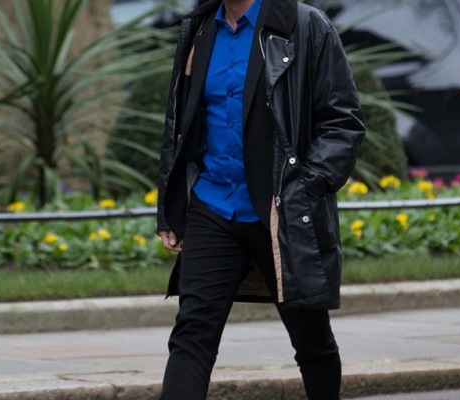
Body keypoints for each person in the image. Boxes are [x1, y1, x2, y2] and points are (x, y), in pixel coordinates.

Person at [154, 0, 365, 398]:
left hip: (281, 209)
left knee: (311, 339)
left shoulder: (305, 26)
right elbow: (178, 122)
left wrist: (305, 185)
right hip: (213, 205)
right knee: (192, 334)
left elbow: (342, 123)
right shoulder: (200, 28)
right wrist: (170, 205)